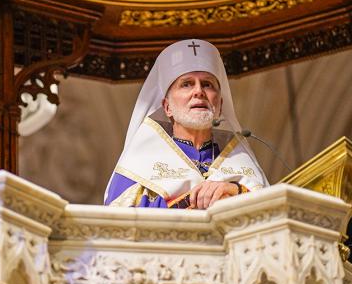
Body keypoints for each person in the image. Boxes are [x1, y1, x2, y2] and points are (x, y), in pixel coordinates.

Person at [105, 39, 268, 209]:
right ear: (167, 107)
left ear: (220, 105)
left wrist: (235, 191)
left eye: (207, 84)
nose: (198, 91)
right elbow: (119, 224)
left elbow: (270, 215)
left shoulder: (242, 162)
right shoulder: (137, 165)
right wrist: (194, 200)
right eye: (186, 84)